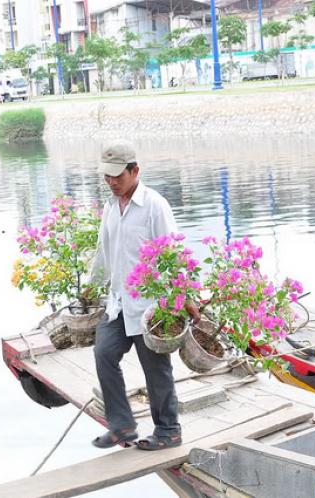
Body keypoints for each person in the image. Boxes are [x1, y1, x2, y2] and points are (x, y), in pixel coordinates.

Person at [89, 140, 200, 451]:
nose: (111, 182)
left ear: (134, 171)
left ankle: (169, 431)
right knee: (104, 354)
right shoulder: (111, 206)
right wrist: (92, 284)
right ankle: (121, 425)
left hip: (152, 305)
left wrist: (185, 296)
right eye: (107, 176)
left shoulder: (154, 205)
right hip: (120, 301)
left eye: (117, 176)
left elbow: (174, 252)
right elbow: (104, 250)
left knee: (156, 370)